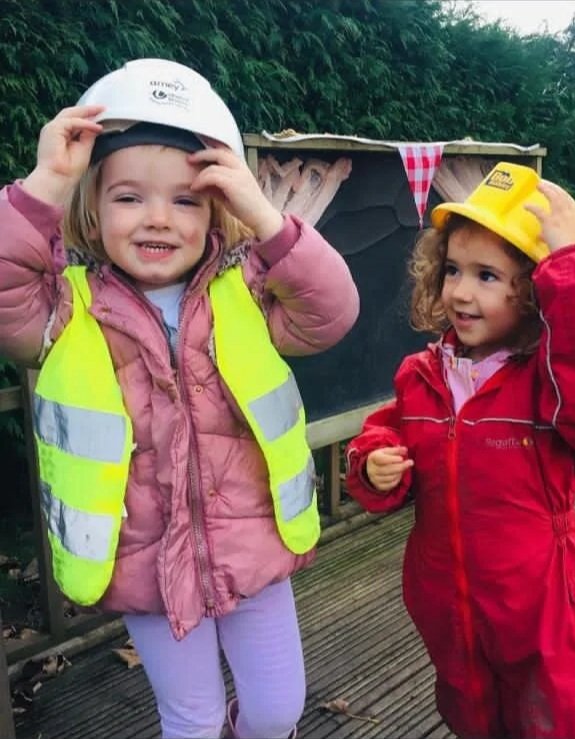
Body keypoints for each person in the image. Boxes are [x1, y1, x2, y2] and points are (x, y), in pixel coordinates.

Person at [0, 58, 359, 739]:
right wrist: (47, 182)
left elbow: (331, 311)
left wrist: (262, 212)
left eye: (186, 200)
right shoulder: (62, 310)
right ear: (92, 207)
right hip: (149, 570)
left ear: (215, 211)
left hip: (255, 554)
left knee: (277, 710)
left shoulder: (248, 290)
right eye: (129, 197)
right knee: (188, 722)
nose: (157, 218)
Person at [345, 162, 575, 739]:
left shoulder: (553, 386)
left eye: (488, 276)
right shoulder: (422, 374)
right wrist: (375, 462)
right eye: (453, 270)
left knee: (558, 722)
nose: (461, 292)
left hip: (546, 611)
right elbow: (388, 432)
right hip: (449, 604)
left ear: (538, 289)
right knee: (473, 715)